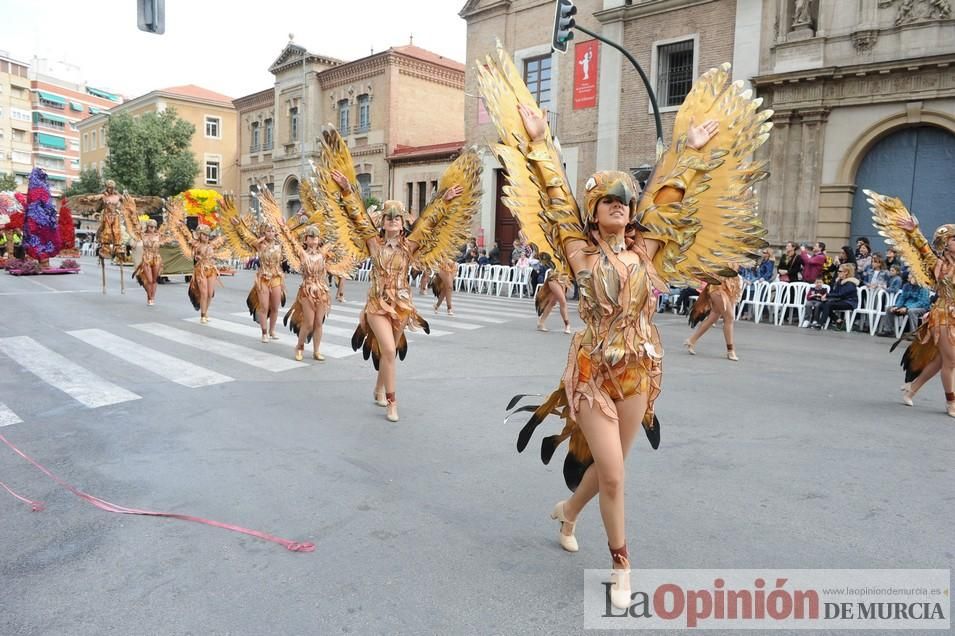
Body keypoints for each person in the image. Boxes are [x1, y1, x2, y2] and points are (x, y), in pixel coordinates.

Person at [487, 51, 771, 609]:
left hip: (640, 369)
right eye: (607, 200)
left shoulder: (646, 252)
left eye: (625, 199)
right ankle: (621, 564)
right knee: (614, 476)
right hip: (592, 373)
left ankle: (567, 511)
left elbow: (669, 200)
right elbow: (551, 198)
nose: (619, 205)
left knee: (612, 467)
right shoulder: (577, 253)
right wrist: (542, 144)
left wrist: (688, 154)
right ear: (594, 211)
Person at [317, 127, 481, 423]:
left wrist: (445, 200)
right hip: (377, 306)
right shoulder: (372, 242)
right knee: (390, 350)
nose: (392, 221)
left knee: (388, 352)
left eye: (397, 217)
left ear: (403, 222)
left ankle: (379, 389)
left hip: (403, 305)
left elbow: (430, 222)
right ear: (382, 222)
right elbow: (355, 214)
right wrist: (345, 190)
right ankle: (392, 402)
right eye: (387, 216)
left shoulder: (410, 245)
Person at [867, 190, 955, 417]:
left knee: (941, 360)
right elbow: (923, 248)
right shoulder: (938, 264)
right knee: (952, 361)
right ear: (945, 244)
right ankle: (951, 403)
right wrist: (913, 231)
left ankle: (911, 389)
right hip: (943, 315)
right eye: (954, 238)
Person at [283, 224, 353, 361]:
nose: (314, 239)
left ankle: (316, 350)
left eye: (316, 237)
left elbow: (337, 240)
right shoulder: (302, 254)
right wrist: (283, 227)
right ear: (306, 239)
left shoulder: (323, 254)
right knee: (308, 322)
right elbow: (290, 240)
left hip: (321, 290)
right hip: (307, 290)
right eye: (311, 237)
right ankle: (299, 346)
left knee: (319, 323)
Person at [684, 269, 743, 361]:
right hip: (718, 287)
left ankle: (691, 341)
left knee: (713, 317)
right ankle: (730, 350)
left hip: (730, 286)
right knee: (729, 318)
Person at [877, 272, 931, 337]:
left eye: (912, 277)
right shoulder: (906, 286)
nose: (910, 278)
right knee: (889, 309)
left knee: (911, 311)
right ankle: (888, 330)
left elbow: (922, 302)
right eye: (910, 276)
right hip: (906, 306)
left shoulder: (923, 287)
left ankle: (913, 334)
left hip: (922, 308)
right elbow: (902, 298)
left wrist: (907, 307)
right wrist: (897, 306)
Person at [535, 252, 571, 333]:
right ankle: (567, 325)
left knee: (552, 302)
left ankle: (541, 323)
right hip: (554, 279)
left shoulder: (569, 254)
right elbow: (547, 265)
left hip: (564, 279)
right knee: (562, 301)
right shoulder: (553, 254)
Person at [815, 263, 859, 329]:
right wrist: (826, 297)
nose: (838, 272)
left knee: (827, 305)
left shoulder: (850, 283)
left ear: (846, 272)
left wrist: (827, 295)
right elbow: (835, 293)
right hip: (841, 300)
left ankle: (820, 324)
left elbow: (841, 294)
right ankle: (838, 320)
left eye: (840, 271)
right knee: (821, 304)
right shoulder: (839, 281)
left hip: (849, 302)